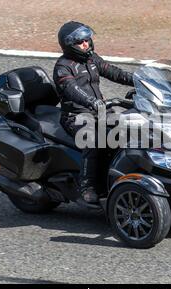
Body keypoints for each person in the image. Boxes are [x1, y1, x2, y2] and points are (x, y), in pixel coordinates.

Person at [53, 21, 134, 203]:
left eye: (87, 40)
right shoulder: (63, 67)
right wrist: (91, 101)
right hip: (76, 116)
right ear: (70, 45)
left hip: (99, 111)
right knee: (94, 140)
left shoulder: (91, 59)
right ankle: (87, 186)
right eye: (81, 42)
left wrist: (139, 80)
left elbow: (113, 72)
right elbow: (72, 89)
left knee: (131, 126)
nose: (86, 44)